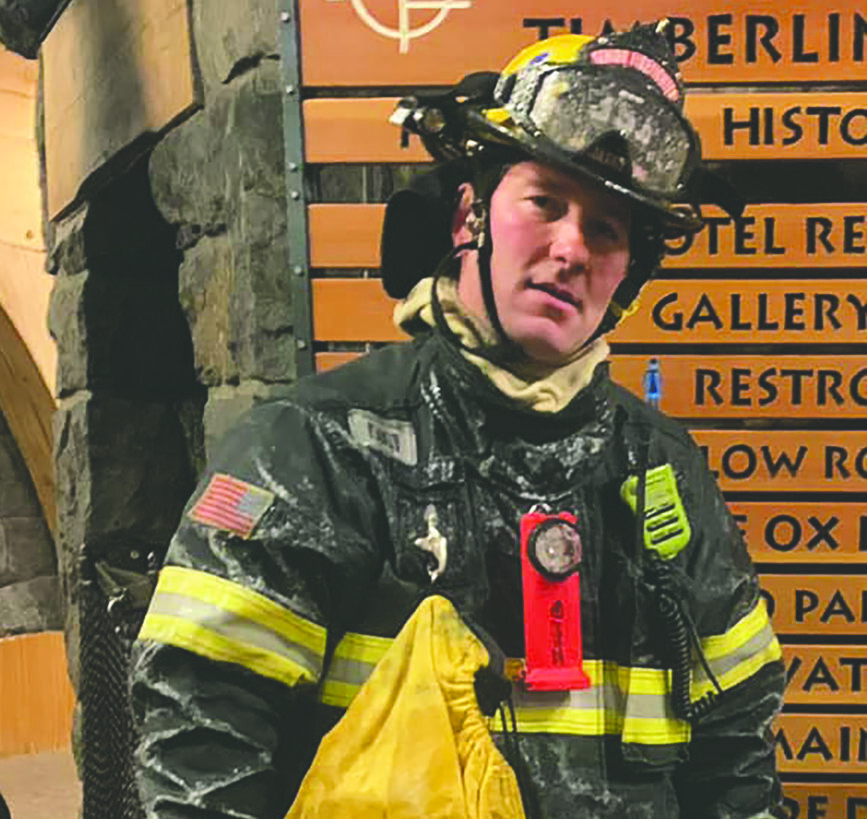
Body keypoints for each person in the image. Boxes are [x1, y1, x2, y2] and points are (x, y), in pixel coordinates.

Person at [130, 22, 785, 818]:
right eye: (544, 203)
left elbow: (735, 754)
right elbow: (203, 753)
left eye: (606, 230)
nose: (570, 248)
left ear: (627, 275)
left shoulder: (662, 475)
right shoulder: (314, 450)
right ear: (467, 218)